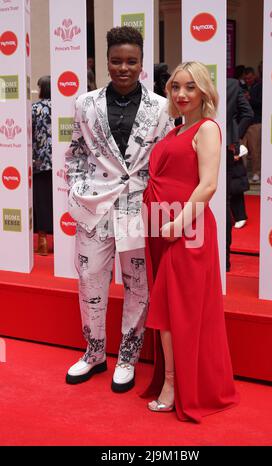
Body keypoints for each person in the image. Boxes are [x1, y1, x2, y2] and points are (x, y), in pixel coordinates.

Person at [65, 26, 173, 392]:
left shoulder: (161, 107)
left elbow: (165, 159)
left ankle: (127, 356)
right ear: (105, 62)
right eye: (116, 61)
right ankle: (94, 352)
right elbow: (76, 151)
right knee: (90, 278)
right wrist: (78, 191)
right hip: (94, 206)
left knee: (137, 284)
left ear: (142, 63)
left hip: (138, 208)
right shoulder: (85, 102)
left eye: (131, 61)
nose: (123, 67)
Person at [141, 62, 239, 423]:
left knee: (174, 310)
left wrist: (178, 224)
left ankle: (173, 384)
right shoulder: (175, 130)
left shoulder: (208, 129)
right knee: (167, 307)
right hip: (162, 229)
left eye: (190, 88)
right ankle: (174, 380)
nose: (181, 94)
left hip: (187, 231)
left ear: (204, 92)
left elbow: (208, 185)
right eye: (175, 88)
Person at [226, 78, 254, 269]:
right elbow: (248, 113)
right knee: (223, 202)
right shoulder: (232, 84)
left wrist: (234, 138)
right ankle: (224, 260)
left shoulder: (194, 81)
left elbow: (247, 113)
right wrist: (234, 137)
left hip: (203, 145)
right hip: (227, 146)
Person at [32, 75, 53, 255]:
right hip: (60, 164)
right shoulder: (61, 107)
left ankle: (43, 240)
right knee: (58, 201)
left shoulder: (35, 108)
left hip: (40, 162)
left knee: (42, 201)